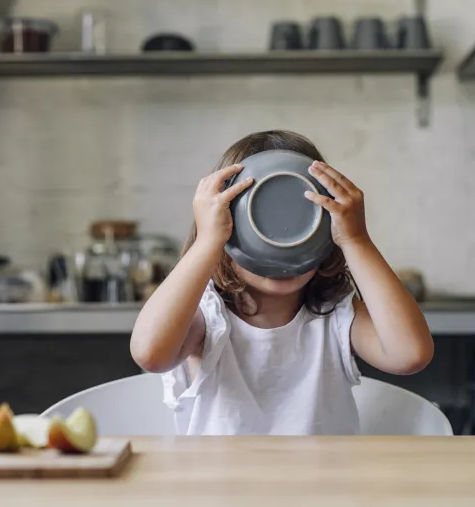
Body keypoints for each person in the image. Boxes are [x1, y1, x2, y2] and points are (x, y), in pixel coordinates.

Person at [130, 130, 433, 435]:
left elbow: (410, 355)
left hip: (324, 469)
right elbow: (150, 354)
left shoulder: (336, 317)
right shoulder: (208, 319)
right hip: (223, 469)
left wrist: (356, 240)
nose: (281, 253)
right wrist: (207, 241)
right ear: (223, 236)